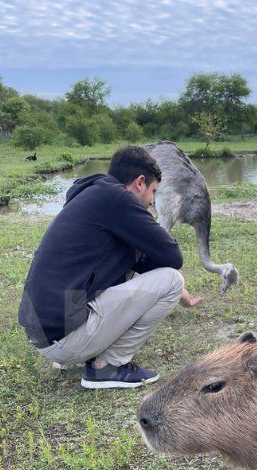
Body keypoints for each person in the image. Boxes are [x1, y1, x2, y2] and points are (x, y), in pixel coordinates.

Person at [18, 145, 201, 389]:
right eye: (153, 192)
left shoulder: (93, 194)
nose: (151, 203)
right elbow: (172, 255)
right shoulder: (118, 200)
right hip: (62, 340)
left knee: (132, 271)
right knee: (172, 281)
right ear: (139, 182)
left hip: (44, 331)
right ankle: (105, 366)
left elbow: (131, 261)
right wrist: (176, 288)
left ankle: (77, 351)